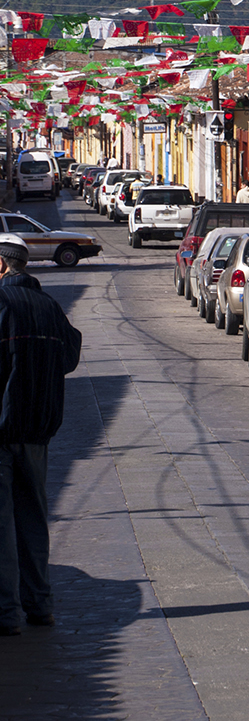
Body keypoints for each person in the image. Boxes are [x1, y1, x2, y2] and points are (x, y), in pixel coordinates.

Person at [0, 235, 81, 636]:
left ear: (2, 266)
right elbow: (69, 356)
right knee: (32, 520)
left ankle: (5, 612)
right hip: (38, 430)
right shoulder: (50, 308)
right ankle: (40, 605)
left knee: (2, 524)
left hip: (2, 430)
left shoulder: (2, 304)